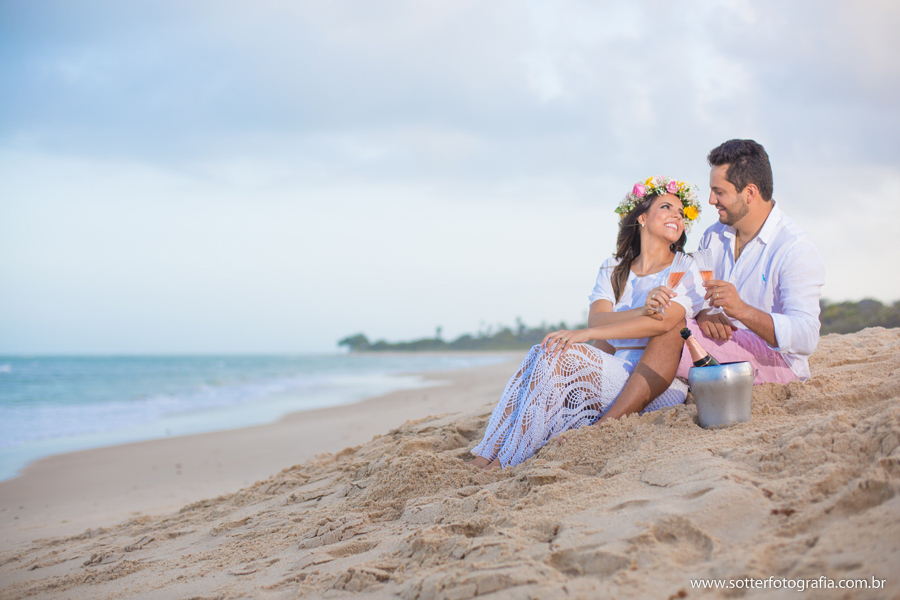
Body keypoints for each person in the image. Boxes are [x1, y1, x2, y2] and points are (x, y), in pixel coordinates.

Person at [467, 176, 706, 470]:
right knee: (541, 351)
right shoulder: (613, 269)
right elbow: (598, 317)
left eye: (682, 213)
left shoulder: (684, 267)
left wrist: (589, 333)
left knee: (560, 354)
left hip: (653, 383)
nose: (676, 216)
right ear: (642, 217)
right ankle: (487, 454)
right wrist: (639, 310)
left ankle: (505, 460)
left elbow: (662, 323)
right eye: (667, 207)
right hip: (615, 367)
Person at [609, 139, 825, 418]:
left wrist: (743, 311)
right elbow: (695, 296)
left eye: (719, 192)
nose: (711, 200)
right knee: (652, 317)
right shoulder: (714, 236)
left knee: (673, 326)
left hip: (778, 363)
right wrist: (705, 313)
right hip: (720, 347)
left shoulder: (794, 248)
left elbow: (807, 337)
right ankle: (592, 392)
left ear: (749, 192)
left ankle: (608, 421)